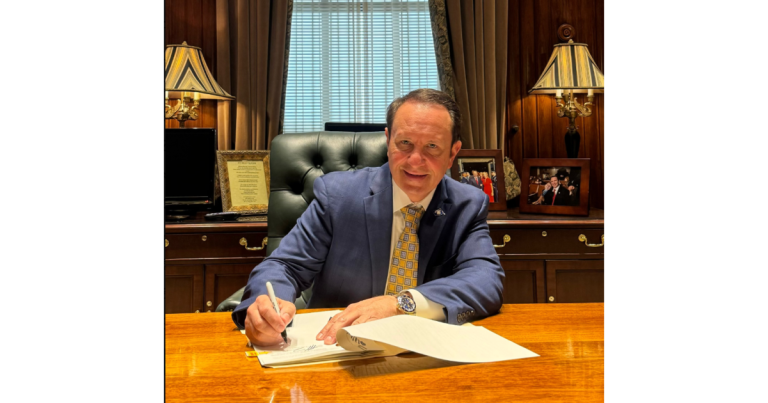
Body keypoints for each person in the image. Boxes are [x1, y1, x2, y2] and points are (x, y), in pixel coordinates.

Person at [234, 88, 504, 347]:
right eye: (405, 143)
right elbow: (284, 266)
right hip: (333, 346)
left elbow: (485, 280)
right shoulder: (337, 195)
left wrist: (401, 303)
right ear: (388, 141)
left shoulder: (466, 205)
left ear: (453, 153)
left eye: (432, 146)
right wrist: (267, 311)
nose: (415, 160)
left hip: (422, 350)